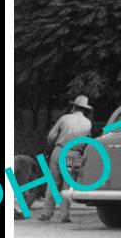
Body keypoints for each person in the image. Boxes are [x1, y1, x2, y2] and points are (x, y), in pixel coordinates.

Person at [40, 95, 93, 223]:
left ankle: (46, 213)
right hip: (75, 154)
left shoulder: (64, 118)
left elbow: (51, 136)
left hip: (59, 151)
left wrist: (52, 144)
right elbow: (88, 141)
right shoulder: (88, 123)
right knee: (68, 185)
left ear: (74, 106)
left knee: (53, 182)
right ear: (85, 109)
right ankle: (64, 215)